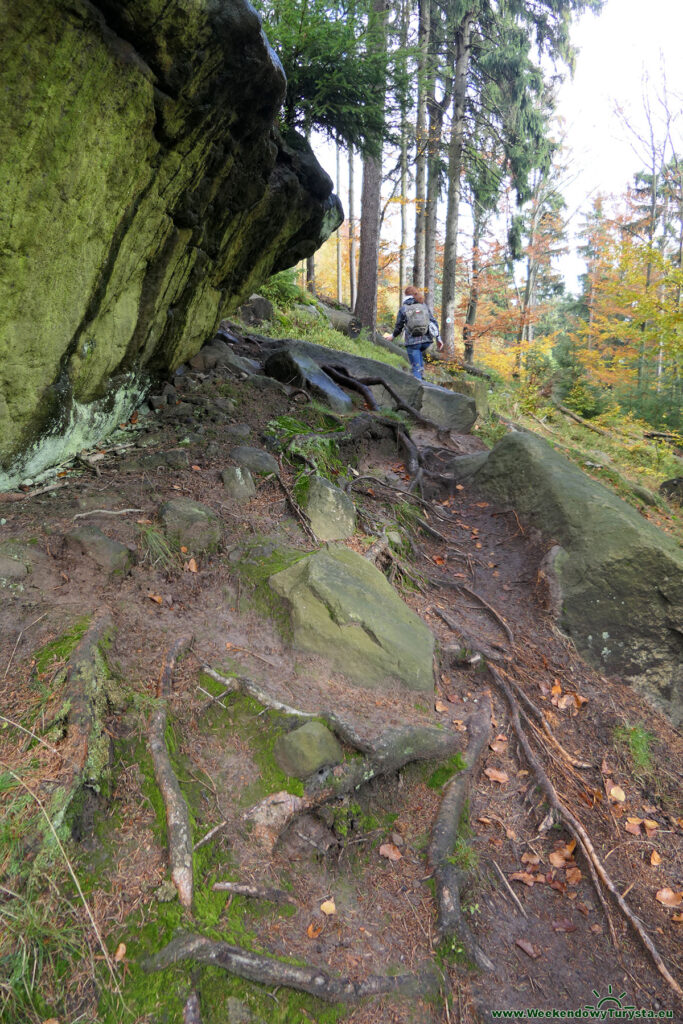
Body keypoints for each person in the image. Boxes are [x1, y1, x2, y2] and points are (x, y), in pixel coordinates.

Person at [389, 285, 443, 380]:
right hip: (426, 341)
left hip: (412, 342)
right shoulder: (423, 306)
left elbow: (399, 326)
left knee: (416, 369)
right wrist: (438, 338)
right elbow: (433, 322)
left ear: (406, 295)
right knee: (419, 363)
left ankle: (419, 387)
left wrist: (392, 336)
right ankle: (424, 383)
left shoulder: (404, 308)